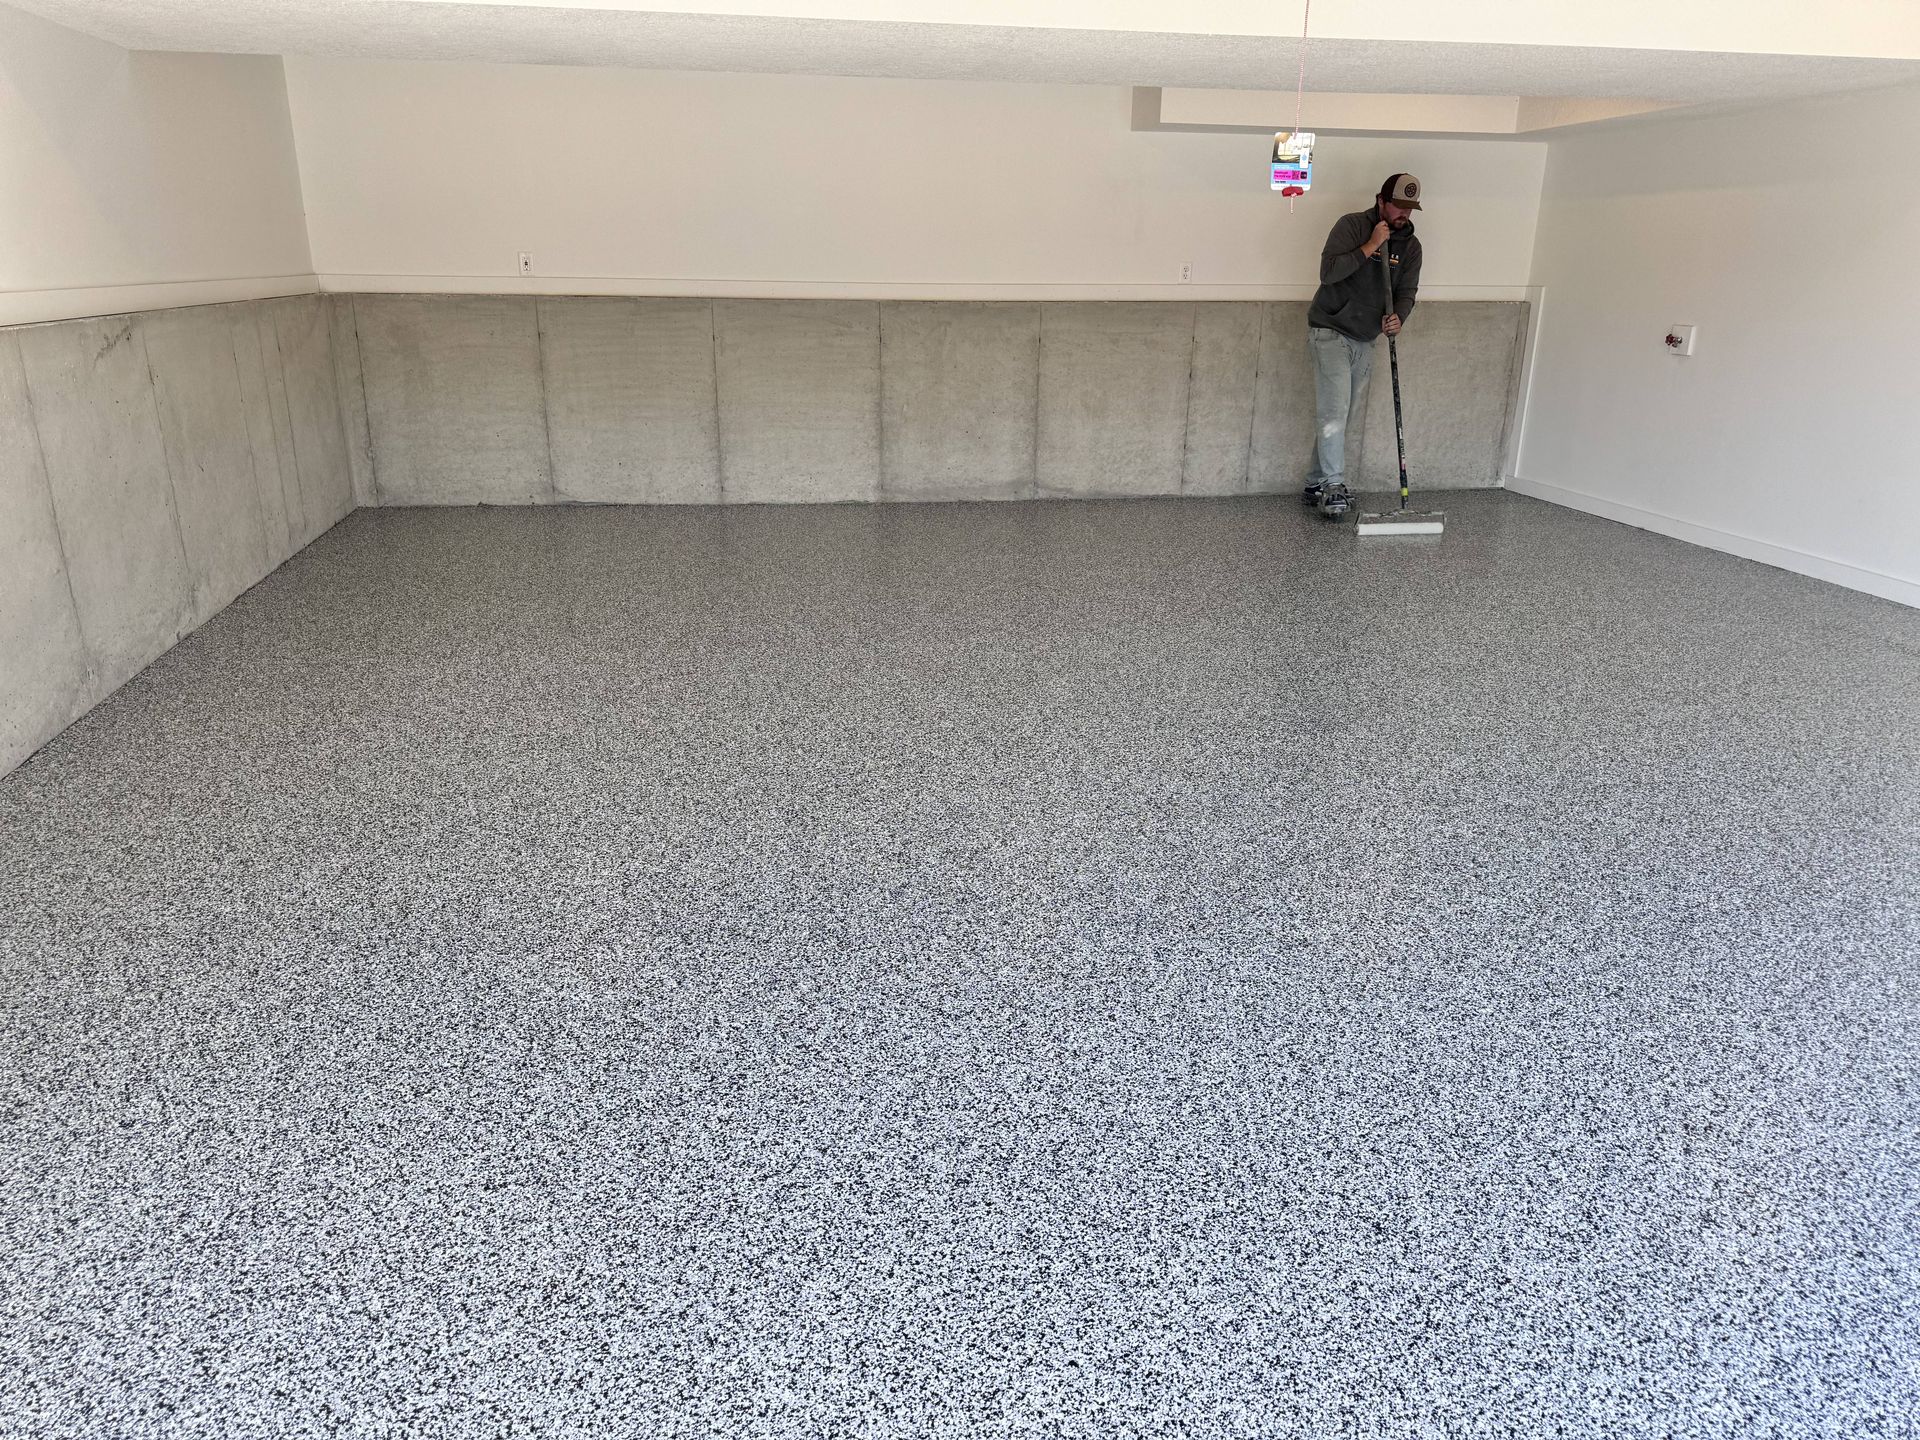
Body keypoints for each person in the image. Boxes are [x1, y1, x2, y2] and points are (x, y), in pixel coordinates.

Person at [1302, 173, 1424, 517]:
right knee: (1334, 412)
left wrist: (1399, 317)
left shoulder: (1411, 248)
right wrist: (1370, 245)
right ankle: (1333, 485)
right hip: (1330, 328)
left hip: (1365, 338)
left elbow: (1407, 293)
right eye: (1398, 206)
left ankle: (1315, 482)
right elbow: (1328, 272)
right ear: (1381, 201)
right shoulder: (1353, 226)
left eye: (1410, 209)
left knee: (1344, 414)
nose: (1404, 214)